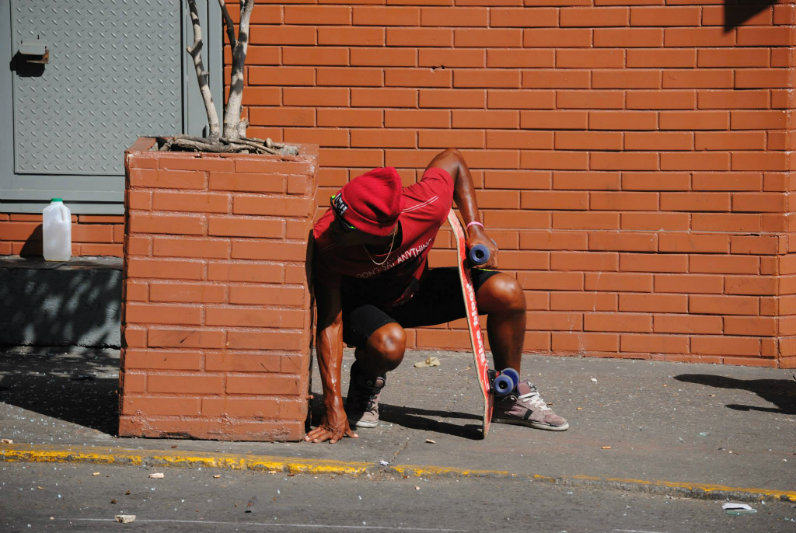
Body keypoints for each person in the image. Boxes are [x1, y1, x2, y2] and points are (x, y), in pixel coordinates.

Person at [306, 148, 569, 444]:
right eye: (337, 210)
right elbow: (330, 322)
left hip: (414, 292)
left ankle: (508, 395)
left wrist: (475, 228)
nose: (335, 225)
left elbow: (453, 159)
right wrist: (332, 406)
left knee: (506, 292)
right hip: (363, 309)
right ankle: (365, 382)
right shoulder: (328, 242)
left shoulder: (425, 204)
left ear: (380, 231)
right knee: (389, 343)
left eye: (347, 225)